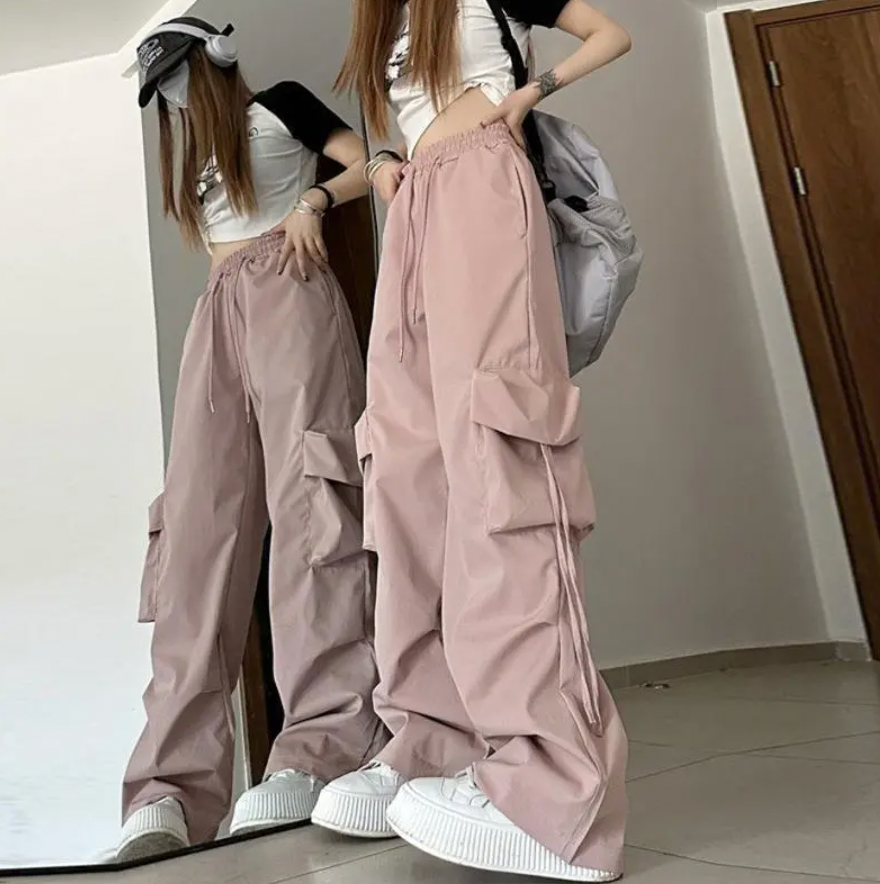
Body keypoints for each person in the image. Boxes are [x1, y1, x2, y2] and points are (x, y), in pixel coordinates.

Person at [310, 1, 632, 880]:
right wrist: (388, 164)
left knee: (501, 454)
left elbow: (611, 33)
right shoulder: (385, 20)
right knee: (407, 470)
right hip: (415, 204)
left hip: (486, 180)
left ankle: (555, 792)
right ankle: (433, 740)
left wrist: (530, 93)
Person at [117, 17, 386, 862]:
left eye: (179, 75)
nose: (173, 97)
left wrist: (312, 202)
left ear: (216, 58)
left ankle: (323, 744)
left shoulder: (281, 106)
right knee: (196, 529)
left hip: (289, 286)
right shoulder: (195, 157)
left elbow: (371, 163)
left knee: (313, 508)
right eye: (159, 90)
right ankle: (169, 786)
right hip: (219, 310)